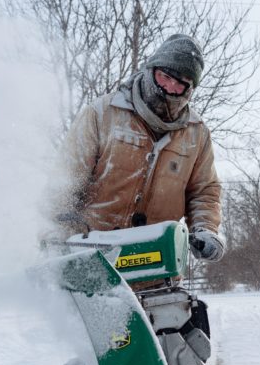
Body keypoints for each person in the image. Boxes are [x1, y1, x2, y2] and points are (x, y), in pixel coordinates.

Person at [52, 33, 225, 264]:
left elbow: (204, 191)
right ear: (151, 69)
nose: (170, 87)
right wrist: (56, 233)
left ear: (190, 89)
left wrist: (205, 228)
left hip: (158, 260)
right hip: (94, 255)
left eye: (181, 83)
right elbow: (66, 179)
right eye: (165, 77)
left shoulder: (197, 133)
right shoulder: (103, 113)